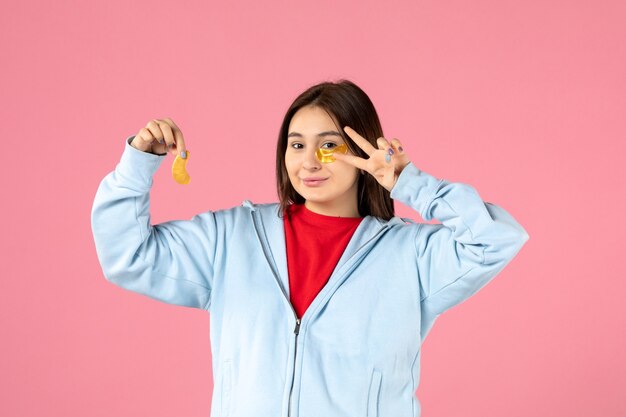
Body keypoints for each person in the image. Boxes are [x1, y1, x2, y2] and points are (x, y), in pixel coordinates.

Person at [91, 79, 529, 417]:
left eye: (329, 145)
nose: (308, 161)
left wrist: (409, 182)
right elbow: (127, 255)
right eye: (297, 144)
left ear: (364, 149)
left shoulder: (410, 255)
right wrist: (137, 163)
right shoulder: (231, 239)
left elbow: (495, 239)